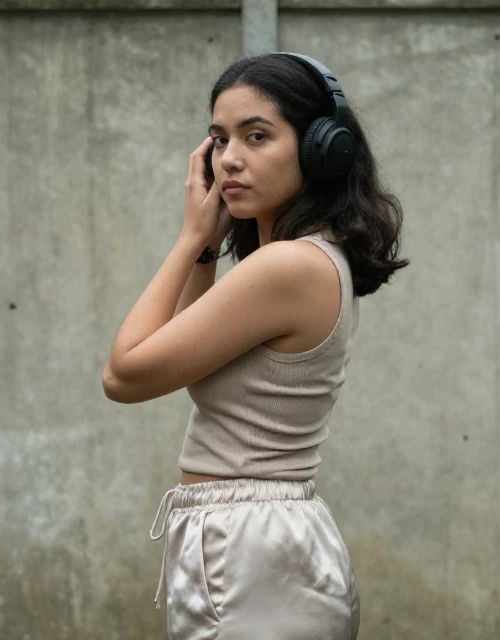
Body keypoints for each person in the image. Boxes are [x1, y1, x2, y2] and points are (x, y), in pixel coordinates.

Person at [101, 52, 408, 639]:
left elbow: (124, 376)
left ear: (321, 149)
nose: (229, 159)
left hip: (251, 556)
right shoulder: (300, 260)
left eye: (257, 136)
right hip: (256, 547)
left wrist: (190, 235)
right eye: (219, 139)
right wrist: (205, 249)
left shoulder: (288, 267)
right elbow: (177, 356)